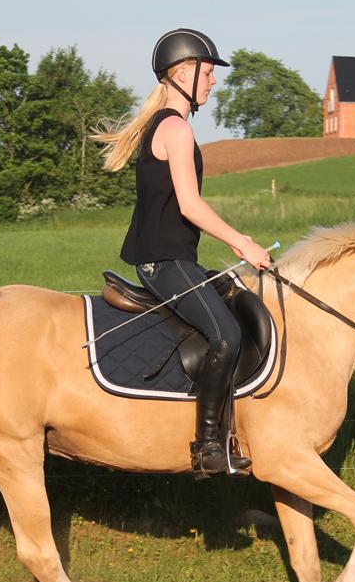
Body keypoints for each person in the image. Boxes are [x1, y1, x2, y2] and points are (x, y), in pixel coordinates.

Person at [93, 28, 272, 478]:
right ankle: (208, 447)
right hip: (164, 264)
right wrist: (242, 243)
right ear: (183, 73)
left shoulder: (170, 126)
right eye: (208, 73)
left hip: (176, 261)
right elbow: (190, 206)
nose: (213, 82)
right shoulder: (174, 129)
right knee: (226, 335)